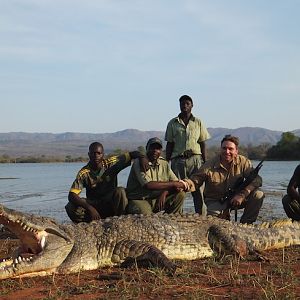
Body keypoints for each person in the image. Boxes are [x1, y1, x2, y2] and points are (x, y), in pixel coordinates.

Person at [184, 135, 265, 224]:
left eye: (231, 149)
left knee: (258, 194)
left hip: (238, 198)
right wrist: (183, 184)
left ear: (236, 151)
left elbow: (257, 180)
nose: (227, 152)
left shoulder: (243, 162)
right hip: (216, 200)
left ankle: (246, 224)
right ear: (220, 149)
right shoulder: (209, 164)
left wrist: (243, 194)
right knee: (214, 223)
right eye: (224, 148)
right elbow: (195, 181)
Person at [65, 142, 148, 223]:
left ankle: (120, 220)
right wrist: (90, 208)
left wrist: (142, 157)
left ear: (103, 154)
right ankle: (91, 221)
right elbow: (72, 195)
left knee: (120, 191)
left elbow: (131, 154)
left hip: (110, 202)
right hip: (94, 204)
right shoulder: (84, 173)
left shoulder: (112, 163)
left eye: (99, 153)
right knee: (70, 207)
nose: (96, 156)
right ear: (89, 154)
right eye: (93, 153)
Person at [165, 95, 210, 214]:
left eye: (187, 103)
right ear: (179, 106)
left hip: (195, 160)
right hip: (177, 160)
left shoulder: (198, 122)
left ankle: (202, 218)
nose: (184, 106)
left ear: (192, 106)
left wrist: (206, 162)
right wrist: (166, 162)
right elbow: (169, 144)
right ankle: (177, 217)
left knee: (198, 190)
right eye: (182, 104)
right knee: (177, 190)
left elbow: (202, 142)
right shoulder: (172, 123)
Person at [126, 137, 188, 215]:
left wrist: (165, 193)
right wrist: (173, 184)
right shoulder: (139, 162)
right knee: (146, 218)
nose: (155, 151)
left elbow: (177, 183)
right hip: (140, 199)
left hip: (157, 198)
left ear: (161, 150)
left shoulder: (164, 163)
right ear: (146, 149)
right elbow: (148, 185)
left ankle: (173, 220)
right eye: (152, 148)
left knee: (180, 194)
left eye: (158, 148)